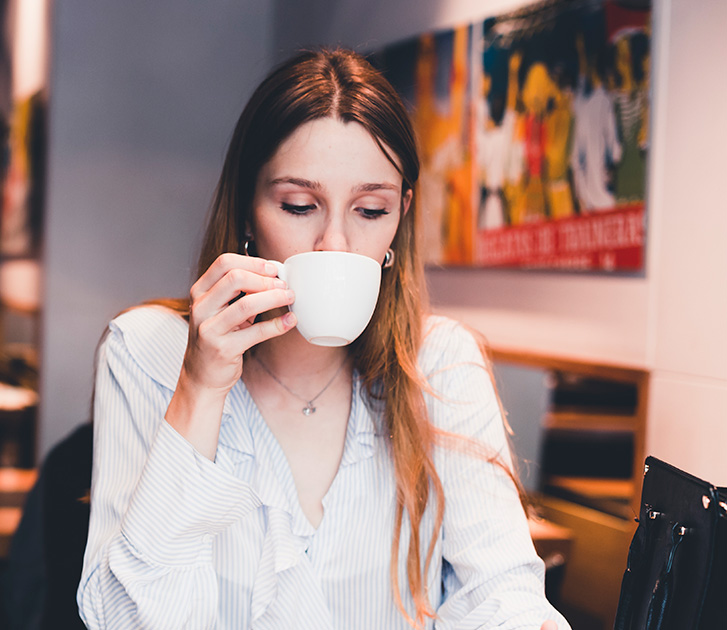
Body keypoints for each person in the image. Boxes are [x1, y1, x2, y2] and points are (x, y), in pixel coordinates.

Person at [77, 48, 570, 630]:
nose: (334, 243)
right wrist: (200, 387)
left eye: (370, 209)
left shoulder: (439, 362)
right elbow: (122, 619)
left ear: (399, 219)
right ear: (247, 209)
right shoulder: (145, 353)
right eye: (299, 205)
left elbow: (500, 594)